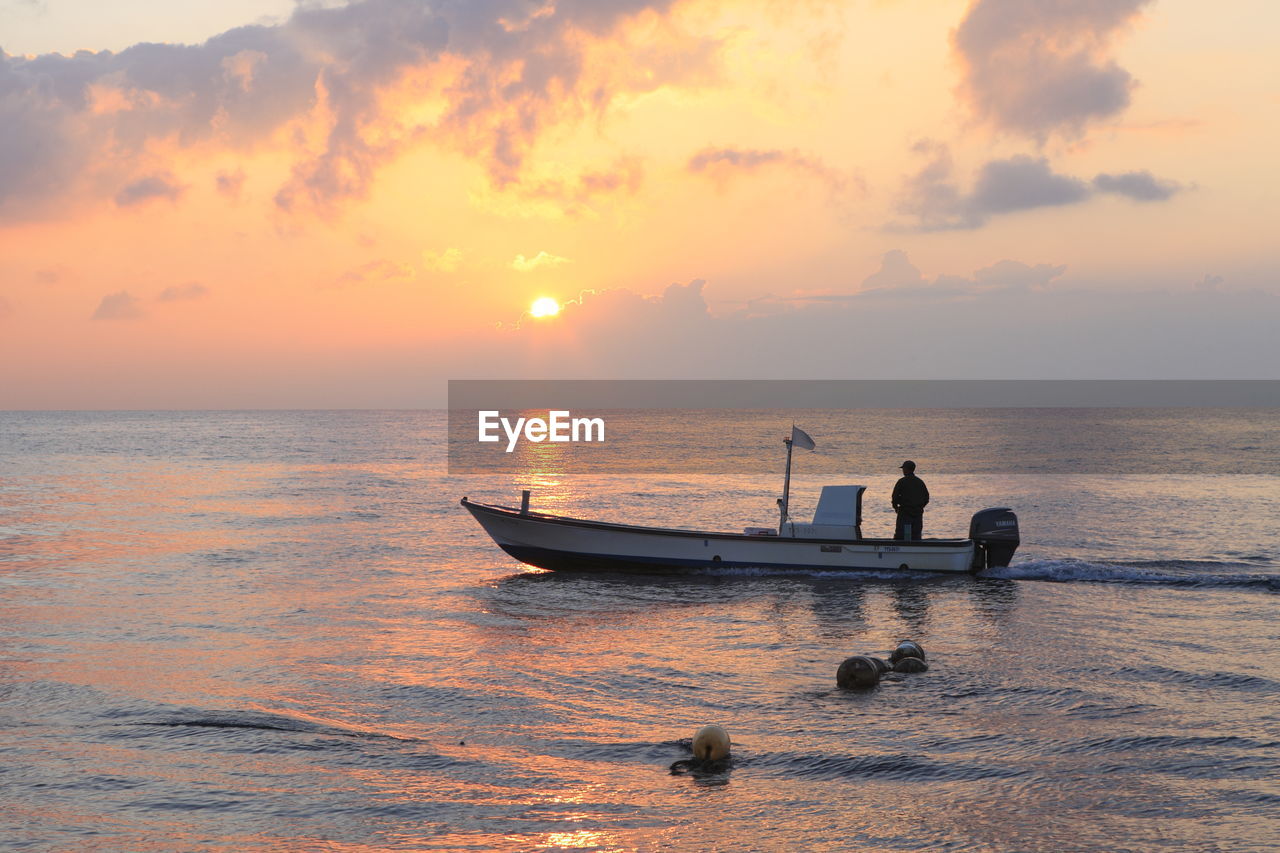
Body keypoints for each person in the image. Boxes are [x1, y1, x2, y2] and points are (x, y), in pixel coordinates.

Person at [891, 460, 929, 540]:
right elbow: (926, 498)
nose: (903, 471)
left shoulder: (901, 482)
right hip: (917, 514)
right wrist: (919, 507)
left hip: (904, 513)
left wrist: (895, 507)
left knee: (900, 536)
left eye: (903, 469)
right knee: (916, 536)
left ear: (906, 469)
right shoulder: (920, 482)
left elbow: (894, 497)